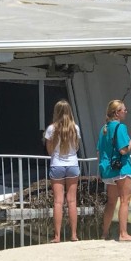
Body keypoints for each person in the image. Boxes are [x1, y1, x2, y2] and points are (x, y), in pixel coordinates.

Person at [97, 100, 131, 242]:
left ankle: (105, 233)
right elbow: (123, 149)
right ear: (117, 113)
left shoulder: (104, 128)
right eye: (124, 110)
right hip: (121, 168)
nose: (126, 112)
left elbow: (99, 151)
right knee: (125, 200)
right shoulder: (120, 127)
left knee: (111, 202)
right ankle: (123, 233)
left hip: (108, 170)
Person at [44, 100, 81, 243]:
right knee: (72, 201)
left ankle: (57, 236)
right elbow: (76, 148)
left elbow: (49, 150)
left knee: (58, 202)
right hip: (72, 164)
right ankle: (73, 235)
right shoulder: (75, 128)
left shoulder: (51, 129)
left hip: (57, 165)